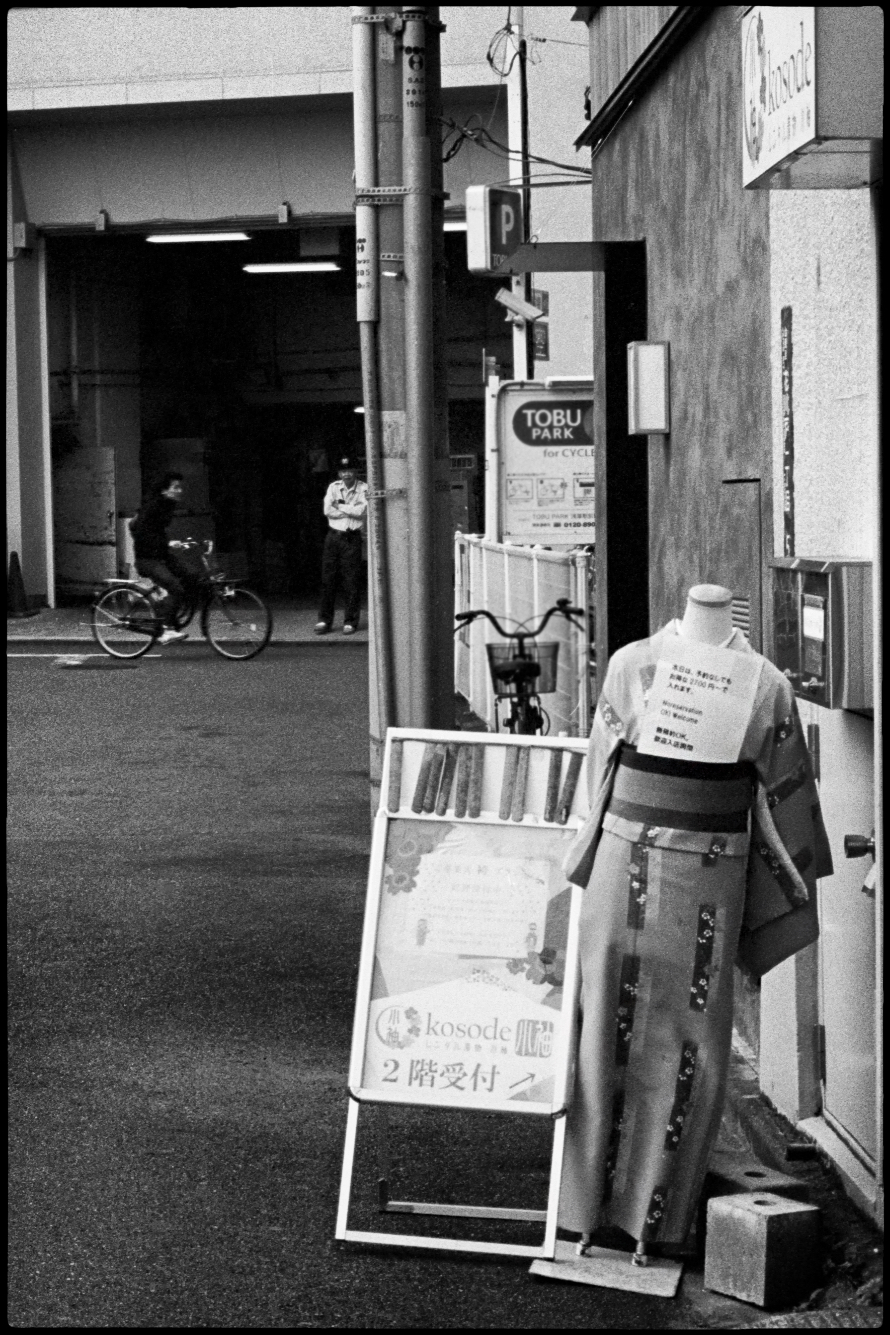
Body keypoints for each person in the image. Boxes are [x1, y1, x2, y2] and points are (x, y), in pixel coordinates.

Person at [559, 584, 833, 1263]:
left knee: (696, 1042)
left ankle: (658, 1217)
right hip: (627, 858)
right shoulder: (632, 663)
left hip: (710, 869)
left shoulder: (766, 684)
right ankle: (583, 1208)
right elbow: (600, 772)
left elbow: (783, 790)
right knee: (601, 1028)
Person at [130, 472, 195, 645]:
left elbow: (155, 531)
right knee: (175, 588)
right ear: (164, 490)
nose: (180, 490)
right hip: (148, 559)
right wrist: (164, 544)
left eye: (180, 487)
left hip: (161, 555)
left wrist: (167, 544)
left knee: (191, 575)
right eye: (176, 487)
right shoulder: (153, 507)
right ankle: (166, 629)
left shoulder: (166, 505)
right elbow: (140, 530)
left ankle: (167, 611)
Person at [315, 456, 368, 635]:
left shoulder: (364, 488)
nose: (346, 474)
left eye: (350, 470)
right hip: (333, 537)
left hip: (352, 538)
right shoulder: (333, 487)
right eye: (343, 471)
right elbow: (327, 510)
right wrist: (349, 510)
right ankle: (324, 620)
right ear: (339, 473)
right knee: (327, 579)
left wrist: (340, 506)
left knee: (351, 580)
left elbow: (361, 511)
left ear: (356, 472)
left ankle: (350, 621)